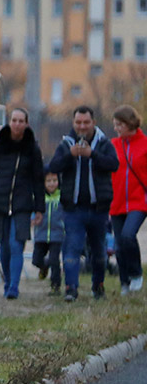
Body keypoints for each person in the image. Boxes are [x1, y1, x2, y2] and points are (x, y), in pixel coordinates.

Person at [47, 105, 119, 301]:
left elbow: (114, 164)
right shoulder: (65, 144)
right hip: (73, 209)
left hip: (99, 208)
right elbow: (53, 167)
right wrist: (71, 154)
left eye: (86, 122)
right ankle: (71, 288)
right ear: (73, 123)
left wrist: (91, 155)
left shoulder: (104, 143)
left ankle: (98, 287)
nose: (82, 126)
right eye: (78, 122)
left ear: (93, 123)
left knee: (98, 251)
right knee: (72, 248)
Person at [0, 108, 45, 299]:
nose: (17, 124)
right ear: (9, 122)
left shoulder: (32, 149)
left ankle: (14, 286)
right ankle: (7, 281)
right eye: (14, 120)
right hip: (0, 203)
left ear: (26, 124)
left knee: (17, 244)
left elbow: (38, 179)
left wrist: (40, 207)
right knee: (5, 246)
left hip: (23, 205)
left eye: (21, 121)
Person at [110, 105, 146, 295]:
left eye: (119, 125)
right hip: (116, 202)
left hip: (138, 201)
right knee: (118, 246)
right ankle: (125, 283)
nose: (116, 129)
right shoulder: (113, 145)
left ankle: (136, 273)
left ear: (129, 123)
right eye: (115, 125)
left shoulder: (145, 144)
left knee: (128, 236)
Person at [31, 170, 65, 294]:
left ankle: (55, 286)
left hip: (57, 234)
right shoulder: (40, 197)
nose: (52, 184)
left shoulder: (61, 196)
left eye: (54, 181)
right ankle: (44, 267)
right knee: (36, 259)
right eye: (49, 181)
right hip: (41, 233)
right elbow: (33, 211)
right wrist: (32, 220)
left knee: (54, 260)